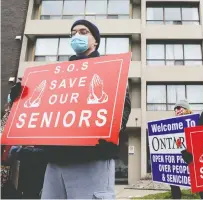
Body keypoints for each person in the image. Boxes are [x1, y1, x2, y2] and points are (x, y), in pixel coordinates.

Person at [9, 19, 132, 199]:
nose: (76, 36)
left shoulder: (110, 70)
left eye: (83, 32)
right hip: (55, 163)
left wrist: (109, 130)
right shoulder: (58, 76)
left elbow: (123, 108)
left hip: (91, 160)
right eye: (73, 33)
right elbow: (44, 113)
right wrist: (20, 99)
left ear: (95, 40)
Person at [170, 99, 193, 199]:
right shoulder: (172, 125)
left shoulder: (194, 121)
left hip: (191, 158)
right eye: (175, 109)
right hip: (178, 157)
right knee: (173, 180)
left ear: (187, 109)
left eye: (179, 108)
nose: (177, 111)